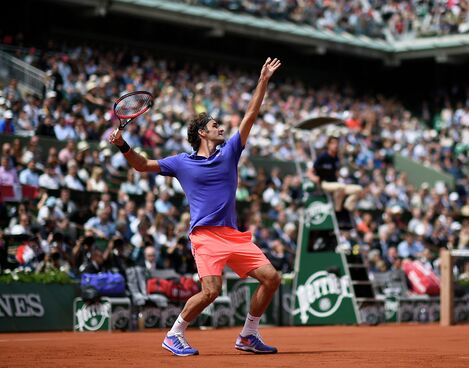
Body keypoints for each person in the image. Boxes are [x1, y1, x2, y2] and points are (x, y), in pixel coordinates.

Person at [109, 57, 282, 356]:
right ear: (202, 132)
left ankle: (248, 334)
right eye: (215, 125)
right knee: (211, 291)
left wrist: (263, 79)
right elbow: (141, 165)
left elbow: (251, 113)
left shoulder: (230, 152)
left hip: (232, 234)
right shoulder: (181, 162)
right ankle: (174, 334)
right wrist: (124, 146)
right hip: (205, 237)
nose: (220, 128)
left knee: (272, 278)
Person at [307, 136, 362, 213]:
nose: (335, 145)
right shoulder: (323, 156)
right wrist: (314, 178)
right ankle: (337, 210)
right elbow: (310, 171)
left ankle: (347, 207)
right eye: (333, 143)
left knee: (358, 189)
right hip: (325, 183)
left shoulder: (336, 158)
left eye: (337, 143)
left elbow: (336, 172)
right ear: (328, 145)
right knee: (340, 187)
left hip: (336, 183)